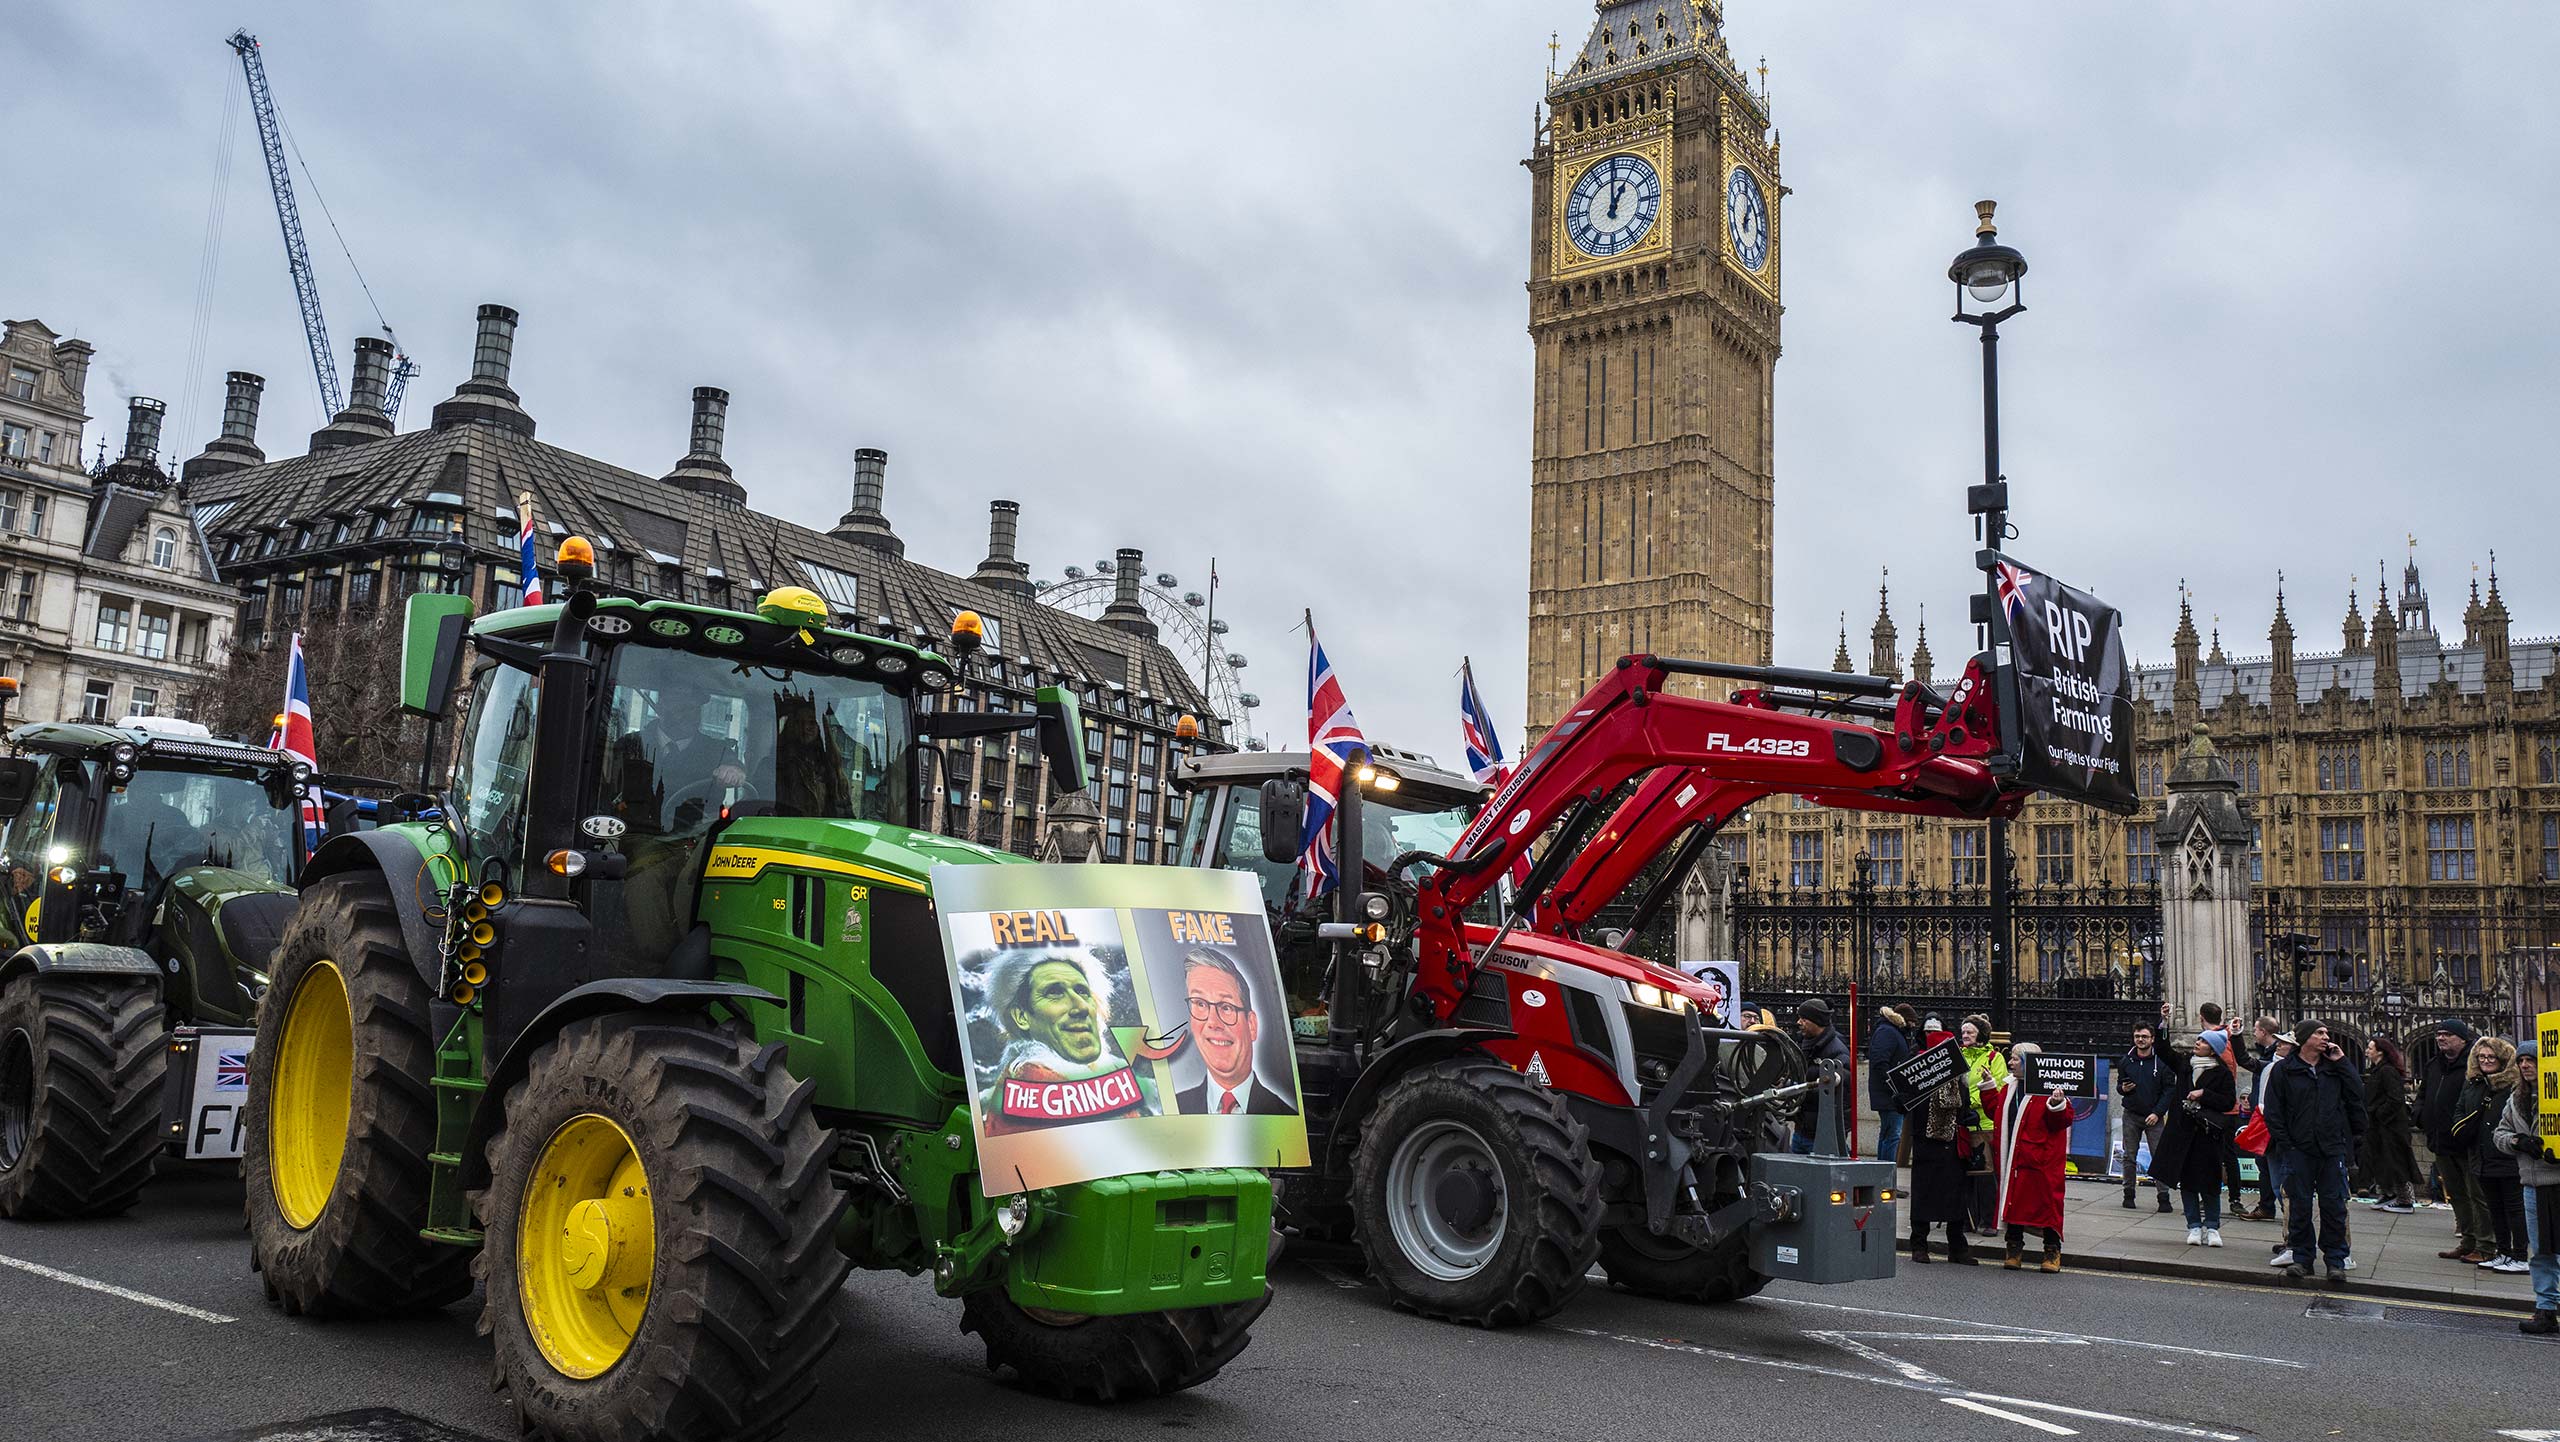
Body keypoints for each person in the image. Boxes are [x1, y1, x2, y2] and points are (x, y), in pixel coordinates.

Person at [978, 949, 1150, 1135]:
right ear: (1021, 1016)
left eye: (1083, 991)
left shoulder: (1104, 1080)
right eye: (1055, 992)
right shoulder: (1035, 1082)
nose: (1082, 1006)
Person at [2262, 1019, 2367, 1283]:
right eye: (2319, 1033)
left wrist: (2342, 1062)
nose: (2325, 1037)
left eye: (2326, 1033)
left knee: (2334, 1205)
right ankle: (2302, 1258)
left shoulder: (2334, 1068)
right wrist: (2287, 1144)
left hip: (2331, 1148)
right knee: (2299, 1205)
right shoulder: (2285, 1070)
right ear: (2304, 1038)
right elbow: (2274, 1112)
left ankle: (2335, 1259)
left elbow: (2357, 1093)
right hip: (2299, 1149)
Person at [1990, 1042, 2092, 1273]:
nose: (2010, 1062)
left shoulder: (2049, 1087)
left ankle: (2052, 1252)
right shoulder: (2009, 1088)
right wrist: (1988, 1087)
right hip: (2015, 1159)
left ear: (2029, 1063)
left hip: (2042, 1161)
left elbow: (2063, 1120)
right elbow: (1994, 1113)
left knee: (2048, 1207)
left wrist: (2056, 1104)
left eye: (2015, 1059)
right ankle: (2014, 1249)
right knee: (2013, 1204)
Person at [1171, 947, 1295, 1116]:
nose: (1213, 1023)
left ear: (1251, 1025)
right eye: (1200, 1004)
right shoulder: (1173, 1110)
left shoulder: (1285, 1117)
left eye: (1226, 1007)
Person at [2491, 1041, 2559, 1335]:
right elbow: (2499, 1134)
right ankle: (2545, 1310)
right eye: (2521, 1061)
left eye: (2531, 1060)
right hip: (2532, 1184)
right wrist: (2518, 1142)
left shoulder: (2554, 1095)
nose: (2525, 1065)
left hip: (2557, 1181)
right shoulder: (2516, 1099)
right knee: (2541, 1251)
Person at [2155, 1030, 2239, 1246]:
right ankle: (2193, 1225)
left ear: (2212, 1049)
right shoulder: (2185, 1064)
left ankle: (2212, 1227)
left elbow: (2228, 1102)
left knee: (2210, 1182)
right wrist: (2163, 1022)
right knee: (2188, 1182)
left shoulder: (2222, 1073)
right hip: (2183, 1132)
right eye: (2199, 1039)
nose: (2198, 1043)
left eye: (2203, 1041)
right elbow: (2163, 1050)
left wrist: (2204, 1094)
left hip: (2207, 1134)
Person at [1905, 1027, 1980, 1266]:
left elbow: (1964, 1109)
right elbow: (1908, 1108)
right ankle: (1919, 1244)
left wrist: (1969, 1117)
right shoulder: (1921, 1080)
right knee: (1923, 1196)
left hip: (1954, 1145)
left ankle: (1957, 1247)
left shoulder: (1960, 1082)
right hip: (1927, 1145)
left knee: (1956, 1198)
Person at [2419, 1017, 2492, 1262]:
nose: (2441, 1038)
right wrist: (2421, 1117)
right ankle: (2468, 1241)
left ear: (2462, 1038)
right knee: (2457, 1195)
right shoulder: (2433, 1064)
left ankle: (2485, 1245)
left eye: (2447, 1034)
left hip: (2467, 1142)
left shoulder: (2474, 1065)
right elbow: (2422, 1094)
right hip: (2441, 1141)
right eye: (2439, 1034)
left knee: (2477, 1195)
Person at [2461, 1036, 2527, 1273]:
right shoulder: (2475, 1083)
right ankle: (2503, 1252)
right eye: (2482, 1057)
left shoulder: (2514, 1087)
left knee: (2514, 1209)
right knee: (2495, 1208)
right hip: (2482, 1155)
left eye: (2491, 1057)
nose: (2486, 1061)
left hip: (2507, 1155)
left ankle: (2520, 1255)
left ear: (2502, 1059)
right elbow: (2461, 1110)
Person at [2116, 1022, 2182, 1213]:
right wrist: (2123, 1088)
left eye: (2144, 1036)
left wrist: (2157, 1112)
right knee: (2129, 1156)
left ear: (2152, 1039)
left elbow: (2169, 1090)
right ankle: (2128, 1193)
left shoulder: (2161, 1062)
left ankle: (2163, 1197)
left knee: (2159, 1156)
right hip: (2131, 1114)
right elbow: (2120, 1085)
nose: (2140, 1040)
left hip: (2154, 1115)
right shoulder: (2126, 1061)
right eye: (2137, 1036)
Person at [2360, 1035, 2421, 1213]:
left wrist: (2379, 1113)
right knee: (2382, 1160)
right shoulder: (2377, 1070)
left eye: (2370, 1048)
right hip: (2379, 1125)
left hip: (2391, 1126)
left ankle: (2405, 1199)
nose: (2367, 1051)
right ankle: (2389, 1193)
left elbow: (2395, 1099)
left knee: (2397, 1161)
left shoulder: (2387, 1071)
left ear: (2380, 1052)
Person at [1960, 1014, 2009, 1236]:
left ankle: (1988, 1220)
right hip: (1963, 1123)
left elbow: (1997, 1086)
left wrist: (1973, 1103)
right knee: (1965, 1174)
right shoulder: (1959, 1055)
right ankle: (1968, 1219)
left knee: (1986, 1174)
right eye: (1963, 1032)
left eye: (1970, 1031)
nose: (1965, 1035)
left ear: (1980, 1034)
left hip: (1985, 1123)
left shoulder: (1994, 1057)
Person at [1792, 998, 1851, 1153]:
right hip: (1802, 1130)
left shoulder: (1837, 1051)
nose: (1798, 1022)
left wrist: (1800, 1092)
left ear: (1816, 1022)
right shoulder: (1804, 1044)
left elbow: (1837, 1092)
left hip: (1823, 1133)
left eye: (1803, 1019)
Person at [1868, 1004, 1915, 1167]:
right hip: (1889, 1095)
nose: (1914, 1026)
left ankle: (1882, 1177)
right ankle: (1887, 1179)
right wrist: (1896, 1088)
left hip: (1889, 1094)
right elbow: (1880, 1062)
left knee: (1888, 1134)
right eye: (1912, 1021)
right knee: (1892, 1135)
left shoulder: (1891, 1031)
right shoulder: (1888, 1032)